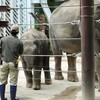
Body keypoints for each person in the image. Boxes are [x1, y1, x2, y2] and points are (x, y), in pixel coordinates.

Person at [0, 24, 23, 100]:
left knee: (2, 80)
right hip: (14, 63)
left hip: (4, 62)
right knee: (13, 81)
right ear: (17, 32)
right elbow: (20, 52)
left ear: (10, 31)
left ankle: (2, 98)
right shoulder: (19, 42)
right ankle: (13, 98)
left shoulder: (3, 39)